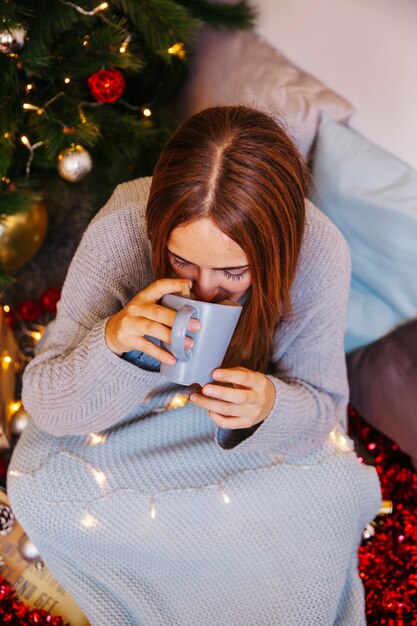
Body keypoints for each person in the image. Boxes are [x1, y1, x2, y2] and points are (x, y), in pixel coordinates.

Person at [8, 106, 381, 625]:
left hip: (236, 440)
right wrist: (112, 342)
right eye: (183, 261)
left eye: (233, 271)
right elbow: (46, 403)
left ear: (274, 250)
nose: (203, 290)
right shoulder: (122, 226)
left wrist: (269, 405)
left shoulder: (318, 254)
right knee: (46, 487)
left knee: (333, 494)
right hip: (118, 428)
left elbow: (323, 407)